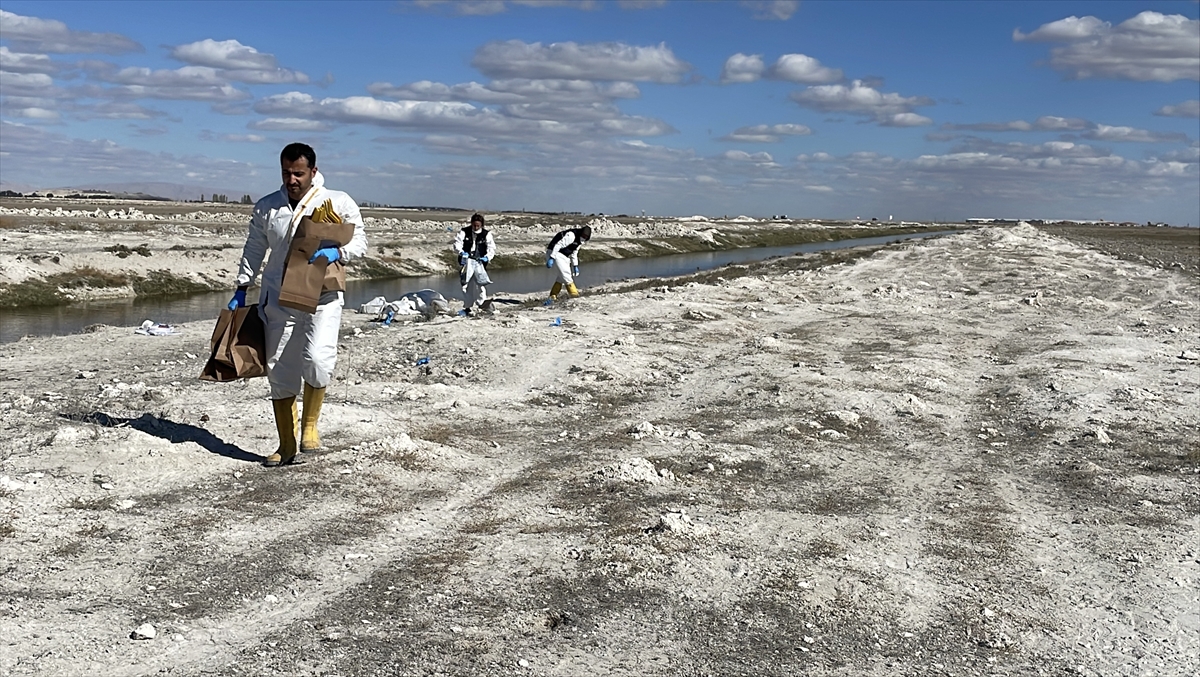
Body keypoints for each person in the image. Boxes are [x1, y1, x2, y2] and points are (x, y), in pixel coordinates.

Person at [228, 143, 367, 467]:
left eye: (298, 173)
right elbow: (254, 247)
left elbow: (360, 241)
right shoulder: (267, 207)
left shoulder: (337, 201)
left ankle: (310, 427)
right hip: (279, 297)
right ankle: (287, 445)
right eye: (286, 172)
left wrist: (339, 253)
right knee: (279, 368)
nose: (292, 179)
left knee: (318, 361)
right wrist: (241, 285)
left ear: (313, 172)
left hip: (323, 296)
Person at [453, 213, 496, 315]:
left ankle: (482, 305)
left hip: (479, 261)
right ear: (471, 224)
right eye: (474, 225)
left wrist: (487, 257)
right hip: (466, 261)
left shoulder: (486, 234)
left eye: (478, 226)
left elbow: (491, 248)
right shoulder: (464, 232)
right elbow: (457, 244)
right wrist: (461, 252)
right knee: (466, 284)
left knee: (480, 284)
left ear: (481, 225)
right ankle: (468, 307)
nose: (476, 227)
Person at [544, 225, 591, 304]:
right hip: (555, 252)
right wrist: (552, 258)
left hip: (564, 255)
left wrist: (575, 265)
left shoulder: (580, 241)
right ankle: (574, 295)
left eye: (586, 237)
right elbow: (558, 245)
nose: (584, 238)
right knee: (566, 276)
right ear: (581, 233)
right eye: (583, 236)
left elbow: (574, 252)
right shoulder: (571, 235)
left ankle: (552, 296)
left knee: (561, 277)